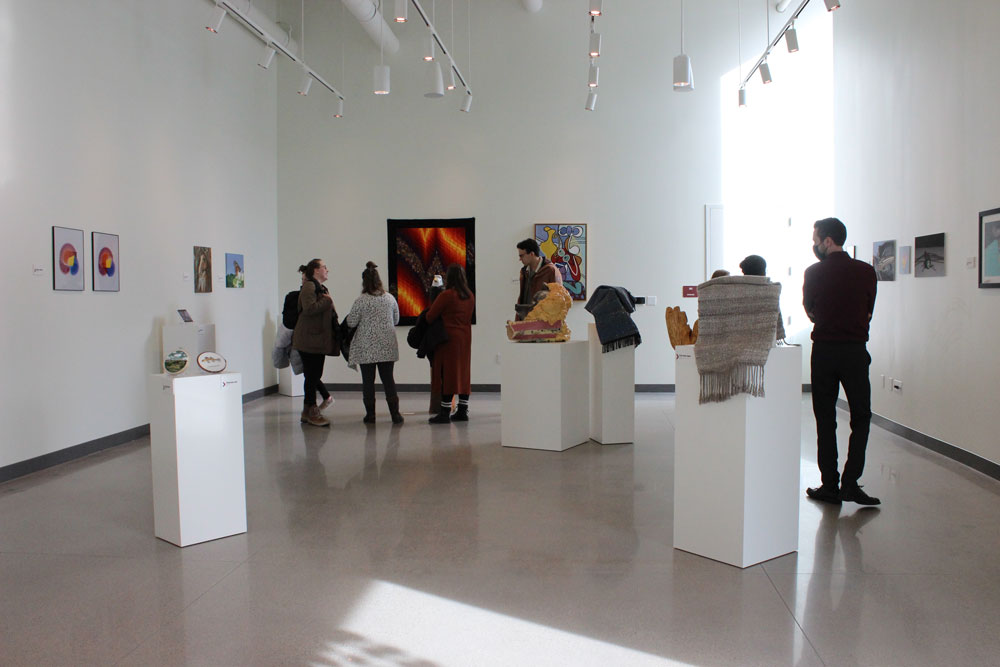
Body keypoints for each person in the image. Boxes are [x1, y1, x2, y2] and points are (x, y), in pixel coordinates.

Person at [803, 218, 880, 505]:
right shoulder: (866, 271)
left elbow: (810, 311)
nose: (814, 244)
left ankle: (830, 485)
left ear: (827, 240)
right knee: (861, 416)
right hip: (855, 351)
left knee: (826, 419)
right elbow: (869, 310)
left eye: (816, 238)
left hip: (824, 351)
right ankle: (850, 483)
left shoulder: (813, 272)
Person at [345, 261, 403, 424]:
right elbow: (396, 320)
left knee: (368, 381)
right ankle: (395, 415)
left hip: (366, 347)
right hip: (387, 346)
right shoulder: (390, 298)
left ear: (364, 282)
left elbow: (351, 322)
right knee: (388, 380)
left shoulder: (360, 300)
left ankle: (370, 415)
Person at [425, 264, 475, 423]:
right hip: (465, 337)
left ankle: (444, 412)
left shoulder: (447, 295)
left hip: (448, 339)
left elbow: (430, 316)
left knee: (447, 374)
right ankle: (463, 410)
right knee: (463, 372)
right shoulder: (469, 295)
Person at [293, 259, 338, 427]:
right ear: (316, 270)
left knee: (313, 375)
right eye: (324, 267)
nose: (327, 269)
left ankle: (307, 411)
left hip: (316, 340)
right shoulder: (309, 286)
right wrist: (327, 301)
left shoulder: (320, 288)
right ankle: (312, 411)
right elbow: (309, 308)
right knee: (312, 376)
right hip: (309, 340)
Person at [515, 238, 561, 320]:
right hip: (526, 318)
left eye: (522, 255)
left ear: (532, 254)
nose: (520, 259)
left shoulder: (550, 270)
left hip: (544, 320)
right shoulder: (524, 271)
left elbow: (558, 298)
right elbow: (522, 297)